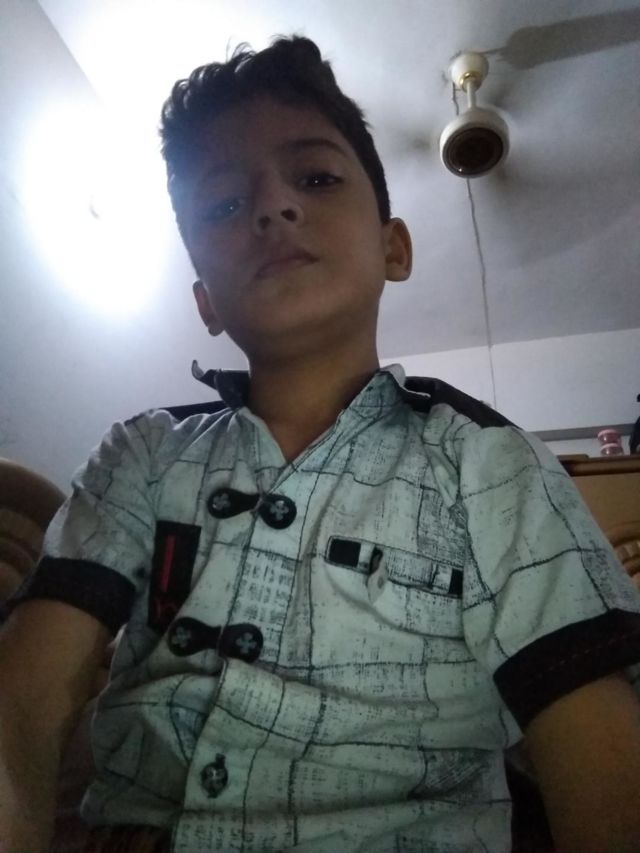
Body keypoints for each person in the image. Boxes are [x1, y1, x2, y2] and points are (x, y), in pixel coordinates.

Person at [1, 34, 640, 853]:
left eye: (314, 178)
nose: (272, 207)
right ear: (205, 302)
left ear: (393, 248)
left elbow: (601, 756)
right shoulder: (142, 453)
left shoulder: (493, 465)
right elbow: (22, 709)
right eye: (224, 204)